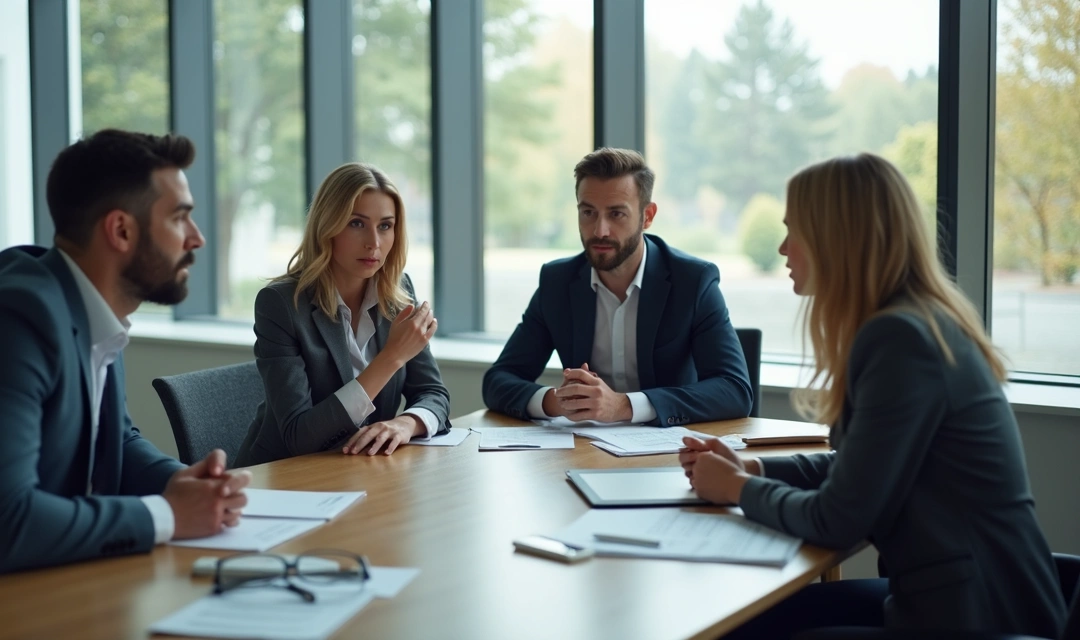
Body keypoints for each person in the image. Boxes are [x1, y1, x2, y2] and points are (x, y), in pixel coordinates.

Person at [681, 153, 1065, 637]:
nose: (782, 248)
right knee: (754, 621)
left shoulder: (901, 340)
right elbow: (857, 469)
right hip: (961, 597)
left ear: (835, 238)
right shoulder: (916, 321)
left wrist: (736, 489)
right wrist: (752, 468)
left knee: (743, 628)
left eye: (793, 230)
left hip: (973, 619)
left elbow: (838, 519)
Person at [0, 130, 252, 574]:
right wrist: (168, 515)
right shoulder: (11, 319)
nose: (197, 238)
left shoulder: (87, 301)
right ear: (121, 230)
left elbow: (114, 441)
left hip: (19, 577)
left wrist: (181, 483)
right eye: (180, 218)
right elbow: (2, 527)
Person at [482, 147, 752, 427]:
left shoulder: (693, 281)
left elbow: (734, 390)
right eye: (588, 212)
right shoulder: (558, 282)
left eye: (616, 214)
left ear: (647, 216)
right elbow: (498, 380)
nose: (600, 230)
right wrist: (558, 401)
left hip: (670, 448)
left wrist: (623, 406)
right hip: (585, 446)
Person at [234, 163, 451, 467]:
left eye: (385, 226)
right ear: (327, 227)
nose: (374, 243)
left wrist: (407, 423)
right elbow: (299, 437)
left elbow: (433, 393)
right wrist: (390, 359)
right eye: (356, 223)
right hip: (284, 476)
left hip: (362, 471)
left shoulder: (398, 292)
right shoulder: (281, 304)